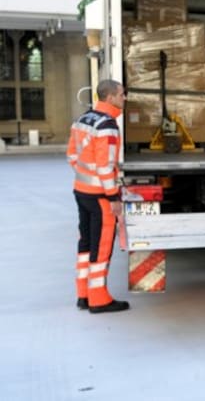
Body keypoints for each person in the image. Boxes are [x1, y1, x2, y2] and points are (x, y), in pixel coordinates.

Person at [66, 79, 129, 314]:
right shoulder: (107, 126)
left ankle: (83, 294)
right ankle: (98, 298)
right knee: (101, 247)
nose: (124, 98)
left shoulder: (83, 119)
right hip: (100, 197)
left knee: (85, 243)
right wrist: (113, 197)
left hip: (81, 191)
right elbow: (104, 167)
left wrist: (85, 176)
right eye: (122, 95)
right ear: (110, 97)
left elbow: (72, 155)